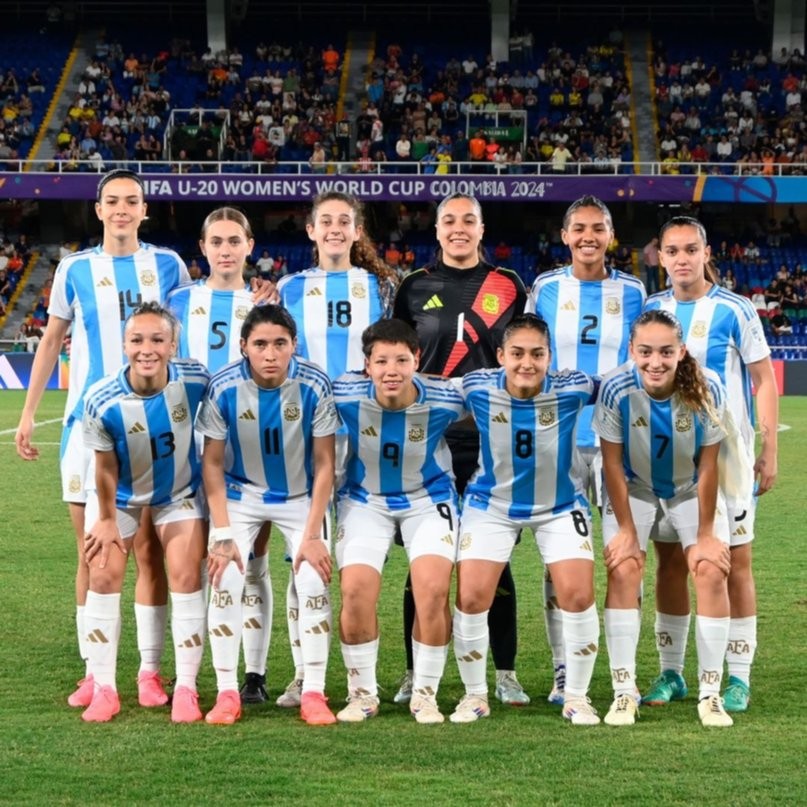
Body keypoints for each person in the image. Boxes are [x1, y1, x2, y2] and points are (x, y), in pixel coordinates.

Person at [15, 169, 190, 710]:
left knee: (150, 556)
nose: (121, 209)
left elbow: (188, 335)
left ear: (144, 210)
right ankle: (95, 671)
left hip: (157, 424)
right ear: (98, 210)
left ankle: (150, 671)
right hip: (84, 427)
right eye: (111, 201)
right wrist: (27, 415)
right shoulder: (74, 268)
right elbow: (50, 342)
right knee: (91, 552)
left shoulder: (168, 265)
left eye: (130, 201)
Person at [393, 193, 529, 707]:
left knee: (492, 556)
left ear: (481, 227)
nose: (458, 228)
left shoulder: (508, 286)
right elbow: (398, 355)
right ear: (437, 229)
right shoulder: (412, 286)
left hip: (490, 436)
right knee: (424, 558)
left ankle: (506, 670)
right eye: (449, 220)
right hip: (427, 436)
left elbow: (523, 355)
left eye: (467, 220)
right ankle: (414, 671)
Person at [643, 216, 778, 713]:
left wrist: (769, 448)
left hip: (727, 455)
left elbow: (763, 380)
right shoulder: (651, 308)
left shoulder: (735, 309)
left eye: (690, 249)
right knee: (671, 562)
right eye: (672, 250)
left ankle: (737, 677)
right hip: (666, 457)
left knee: (734, 563)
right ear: (661, 257)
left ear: (706, 253)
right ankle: (672, 673)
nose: (681, 258)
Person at [273, 191, 397, 709]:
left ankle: (358, 670)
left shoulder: (381, 286)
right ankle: (305, 673)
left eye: (344, 221)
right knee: (306, 555)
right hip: (306, 434)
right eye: (325, 221)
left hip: (365, 433)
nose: (334, 229)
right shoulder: (289, 288)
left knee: (359, 557)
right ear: (311, 230)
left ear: (356, 231)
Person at [451, 314, 600, 725]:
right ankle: (474, 695)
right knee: (471, 597)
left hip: (560, 505)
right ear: (500, 356)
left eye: (537, 354)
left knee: (577, 596)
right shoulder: (477, 386)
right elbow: (423, 389)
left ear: (550, 356)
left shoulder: (574, 387)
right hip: (491, 506)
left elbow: (631, 382)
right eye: (516, 354)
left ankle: (576, 696)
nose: (527, 363)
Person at [198, 304, 339, 726]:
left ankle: (313, 691)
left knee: (313, 574)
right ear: (243, 347)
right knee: (226, 573)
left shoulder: (314, 384)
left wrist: (313, 534)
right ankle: (227, 694)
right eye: (260, 344)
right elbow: (211, 464)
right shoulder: (223, 387)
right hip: (241, 494)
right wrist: (222, 532)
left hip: (300, 496)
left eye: (280, 343)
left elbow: (326, 463)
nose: (271, 353)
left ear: (294, 344)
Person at [530, 195, 645, 705]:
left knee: (625, 557)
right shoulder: (547, 288)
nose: (588, 237)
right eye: (579, 228)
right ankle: (562, 669)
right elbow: (529, 354)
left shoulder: (636, 290)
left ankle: (625, 673)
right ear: (565, 234)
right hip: (561, 440)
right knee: (560, 562)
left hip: (620, 441)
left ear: (611, 235)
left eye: (598, 228)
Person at [595, 309, 734, 728]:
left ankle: (711, 694)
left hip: (690, 489)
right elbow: (612, 465)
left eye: (665, 352)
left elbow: (709, 466)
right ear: (631, 350)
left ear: (681, 351)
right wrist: (624, 530)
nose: (655, 362)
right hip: (634, 489)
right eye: (645, 351)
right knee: (624, 569)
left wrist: (706, 534)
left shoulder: (707, 386)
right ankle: (624, 692)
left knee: (710, 570)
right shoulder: (616, 388)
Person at [81, 303, 209, 722]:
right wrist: (102, 518)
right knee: (102, 572)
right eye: (137, 340)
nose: (146, 349)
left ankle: (180, 685)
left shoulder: (196, 380)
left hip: (178, 494)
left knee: (186, 575)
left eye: (157, 340)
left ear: (173, 344)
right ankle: (104, 687)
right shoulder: (101, 399)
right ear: (124, 344)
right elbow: (103, 467)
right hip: (119, 498)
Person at [333, 319, 465, 724]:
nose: (392, 370)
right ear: (366, 365)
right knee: (355, 591)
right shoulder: (343, 392)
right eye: (382, 361)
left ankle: (425, 694)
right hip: (365, 499)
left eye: (402, 360)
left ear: (417, 361)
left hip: (429, 499)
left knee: (431, 590)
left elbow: (499, 398)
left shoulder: (447, 397)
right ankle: (362, 694)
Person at [167, 206, 273, 706]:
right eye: (217, 241)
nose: (226, 250)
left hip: (250, 450)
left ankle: (254, 672)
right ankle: (193, 671)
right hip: (189, 450)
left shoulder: (269, 301)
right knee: (196, 563)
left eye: (235, 240)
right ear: (203, 248)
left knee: (252, 562)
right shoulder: (179, 301)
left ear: (249, 246)